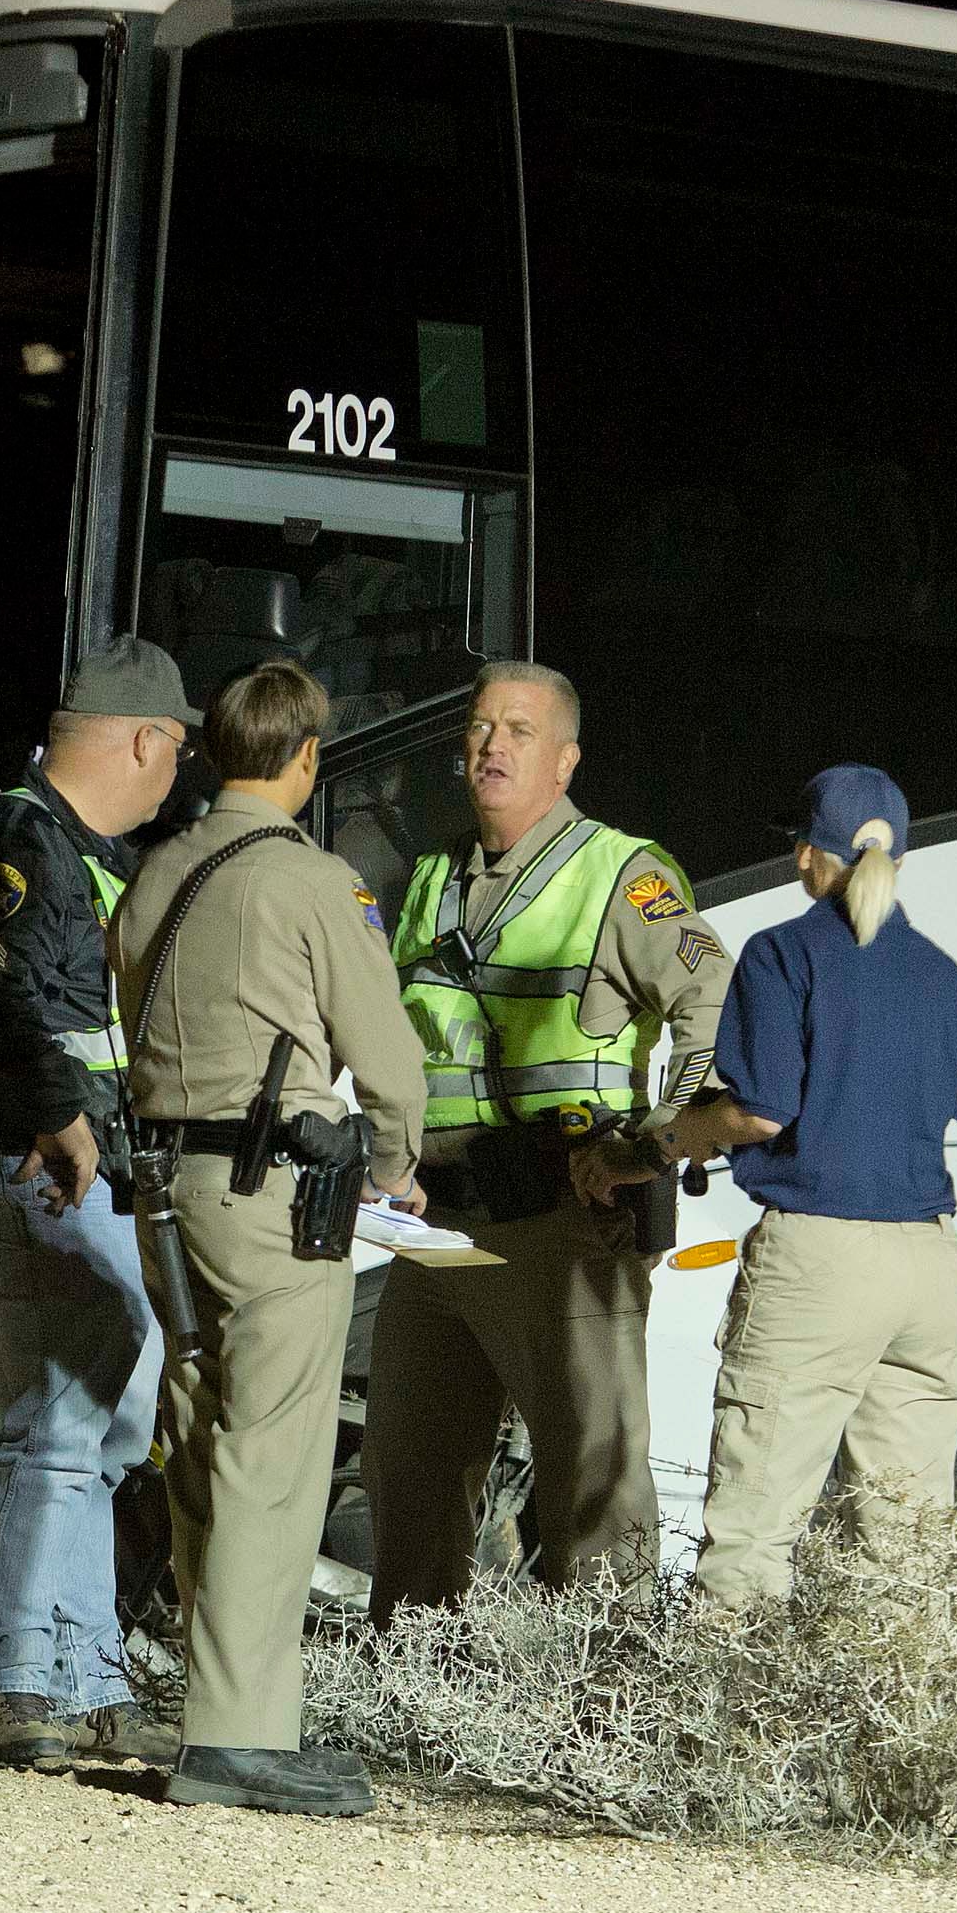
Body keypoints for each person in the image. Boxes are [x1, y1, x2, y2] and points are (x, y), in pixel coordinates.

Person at [606, 764, 957, 1607]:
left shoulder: (783, 954)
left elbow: (762, 1113)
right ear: (900, 860)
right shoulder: (946, 980)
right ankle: (898, 1739)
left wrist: (672, 1138)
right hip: (927, 1267)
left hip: (819, 1264)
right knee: (907, 1559)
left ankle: (725, 1739)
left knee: (752, 1538)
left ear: (808, 855)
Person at [114, 658, 430, 1817]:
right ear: (304, 759)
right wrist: (396, 1159)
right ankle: (237, 1739)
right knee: (272, 1457)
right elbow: (384, 1054)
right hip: (273, 1193)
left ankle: (215, 1713)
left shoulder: (157, 871)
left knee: (199, 1444)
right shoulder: (312, 880)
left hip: (166, 1190)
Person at [369, 660, 731, 1621]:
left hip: (561, 1226)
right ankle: (416, 1708)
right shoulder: (435, 877)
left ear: (564, 760)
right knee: (406, 1482)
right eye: (481, 728)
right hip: (435, 1226)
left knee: (593, 1499)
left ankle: (608, 1727)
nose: (491, 745)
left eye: (518, 731)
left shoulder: (622, 874)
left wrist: (652, 1144)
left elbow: (714, 999)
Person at [0, 638, 200, 1771]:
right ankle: (11, 1675)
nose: (176, 773)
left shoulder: (79, 855)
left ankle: (82, 1682)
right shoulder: (18, 843)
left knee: (103, 1422)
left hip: (76, 1169)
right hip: (41, 1168)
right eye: (175, 748)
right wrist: (58, 1114)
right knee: (65, 1417)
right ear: (142, 740)